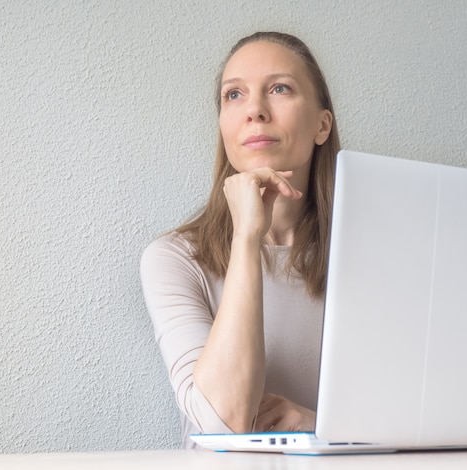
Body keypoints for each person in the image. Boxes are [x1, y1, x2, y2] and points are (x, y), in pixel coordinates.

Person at [140, 31, 341, 448]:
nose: (254, 110)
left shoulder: (373, 253)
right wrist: (247, 239)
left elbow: (416, 411)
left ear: (322, 125)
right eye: (234, 95)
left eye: (279, 88)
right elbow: (223, 423)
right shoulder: (175, 260)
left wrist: (321, 427)